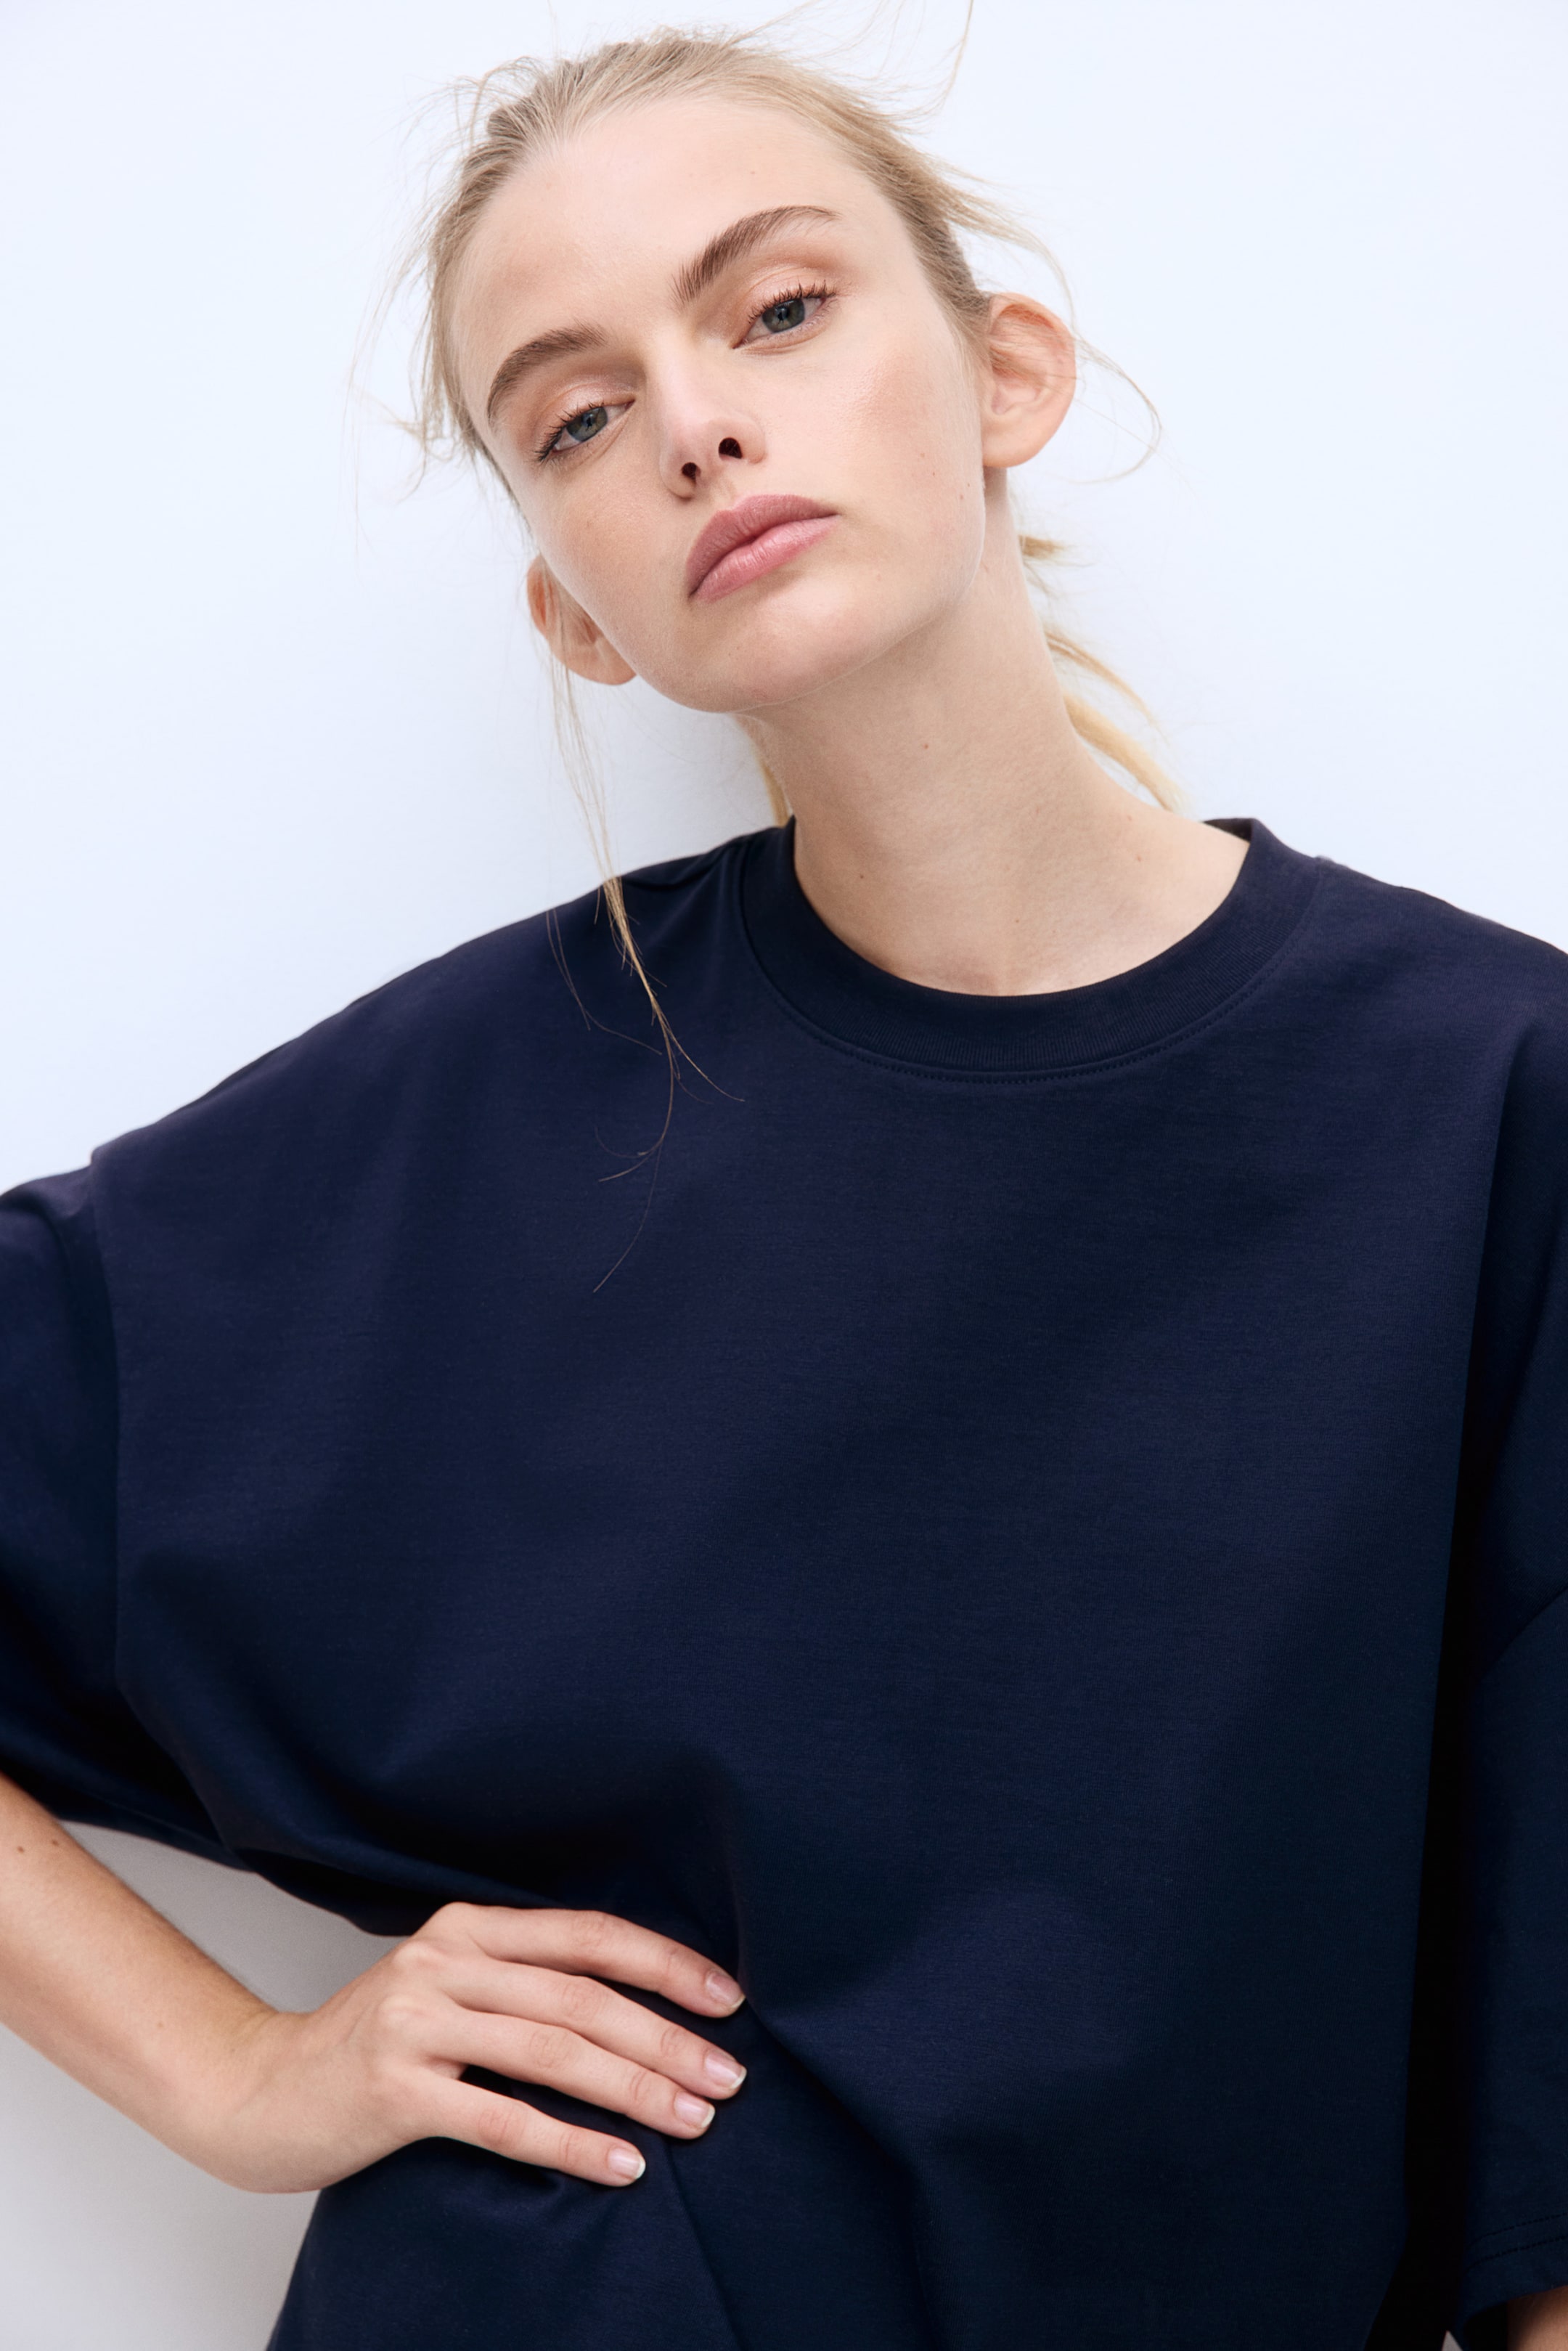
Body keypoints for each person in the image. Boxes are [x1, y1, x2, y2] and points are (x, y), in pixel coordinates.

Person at [1, 28, 1564, 2351]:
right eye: (576, 418)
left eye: (780, 310)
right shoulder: (474, 1113)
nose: (696, 426)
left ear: (1009, 371)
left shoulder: (1491, 1100)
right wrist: (233, 2075)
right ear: (576, 609)